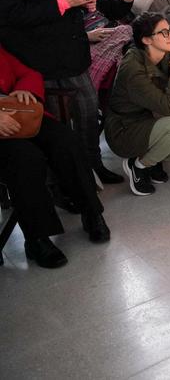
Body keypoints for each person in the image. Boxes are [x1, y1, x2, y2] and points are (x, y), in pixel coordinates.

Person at [0, 0, 123, 184]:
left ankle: (93, 164)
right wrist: (64, 3)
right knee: (55, 121)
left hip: (72, 47)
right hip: (34, 55)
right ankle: (65, 183)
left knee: (87, 110)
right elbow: (10, 15)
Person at [0, 45, 110, 268]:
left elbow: (28, 73)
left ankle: (91, 212)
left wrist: (26, 90)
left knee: (66, 142)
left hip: (22, 115)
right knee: (26, 159)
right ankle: (36, 238)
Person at [104, 13, 170, 196]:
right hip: (125, 131)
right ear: (146, 39)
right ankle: (139, 165)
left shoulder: (163, 53)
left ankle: (150, 160)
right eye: (164, 32)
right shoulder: (132, 69)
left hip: (151, 121)